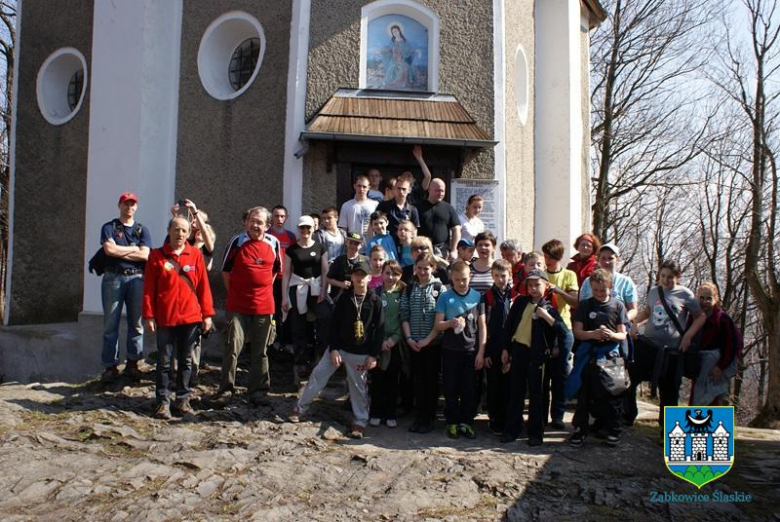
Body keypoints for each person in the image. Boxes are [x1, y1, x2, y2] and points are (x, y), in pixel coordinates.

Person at [291, 260, 384, 439]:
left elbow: (379, 329)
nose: (360, 278)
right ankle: (300, 407)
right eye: (357, 274)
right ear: (352, 277)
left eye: (363, 275)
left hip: (361, 351)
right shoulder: (344, 298)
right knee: (318, 374)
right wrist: (333, 349)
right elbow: (334, 326)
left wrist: (373, 355)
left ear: (369, 277)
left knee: (358, 387)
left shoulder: (375, 301)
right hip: (339, 348)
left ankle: (360, 421)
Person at [143, 216, 214, 419]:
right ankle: (162, 402)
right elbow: (148, 289)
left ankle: (182, 400)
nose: (180, 234)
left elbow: (203, 288)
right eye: (176, 229)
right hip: (165, 318)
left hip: (190, 318)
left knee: (186, 362)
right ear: (169, 230)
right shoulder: (156, 256)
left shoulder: (196, 255)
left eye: (184, 230)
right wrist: (148, 315)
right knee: (164, 362)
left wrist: (207, 315)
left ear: (189, 234)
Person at [213, 207, 281, 406]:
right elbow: (226, 271)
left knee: (261, 351)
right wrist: (234, 293)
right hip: (238, 306)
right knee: (232, 348)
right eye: (252, 220)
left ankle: (258, 391)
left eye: (259, 222)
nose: (255, 225)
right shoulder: (237, 242)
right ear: (246, 223)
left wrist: (263, 288)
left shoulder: (274, 243)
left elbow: (276, 271)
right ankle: (226, 390)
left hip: (264, 306)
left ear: (267, 226)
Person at [629, 260, 707, 427]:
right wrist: (635, 324)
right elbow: (647, 311)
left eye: (670, 277)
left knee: (670, 390)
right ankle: (627, 416)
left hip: (671, 351)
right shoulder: (653, 292)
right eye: (663, 276)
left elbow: (700, 317)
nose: (665, 280)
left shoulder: (685, 294)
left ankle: (668, 430)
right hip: (648, 345)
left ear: (678, 277)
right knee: (632, 378)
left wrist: (688, 336)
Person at [500, 271, 567, 446]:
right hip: (519, 351)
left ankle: (536, 432)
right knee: (515, 392)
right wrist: (506, 348)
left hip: (538, 355)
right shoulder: (521, 302)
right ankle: (512, 430)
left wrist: (546, 316)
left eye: (537, 285)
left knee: (538, 395)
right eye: (530, 285)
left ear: (546, 285)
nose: (533, 289)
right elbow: (509, 326)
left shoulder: (549, 308)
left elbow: (562, 331)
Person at [577, 243, 639, 425]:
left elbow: (633, 309)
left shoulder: (626, 282)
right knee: (591, 381)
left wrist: (618, 323)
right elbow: (583, 306)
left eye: (610, 257)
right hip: (592, 339)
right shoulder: (589, 281)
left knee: (615, 382)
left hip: (617, 338)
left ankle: (616, 422)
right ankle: (594, 421)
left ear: (617, 259)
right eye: (602, 257)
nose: (606, 261)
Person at [567, 269, 628, 447]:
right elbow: (577, 332)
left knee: (612, 395)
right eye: (596, 291)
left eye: (603, 290)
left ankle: (613, 430)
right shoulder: (585, 305)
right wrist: (593, 334)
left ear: (611, 287)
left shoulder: (618, 306)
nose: (600, 294)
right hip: (589, 356)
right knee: (584, 395)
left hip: (611, 356)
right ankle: (579, 430)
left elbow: (622, 335)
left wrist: (611, 335)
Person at [100, 192, 152, 382]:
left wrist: (121, 251)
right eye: (125, 203)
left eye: (132, 204)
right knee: (110, 324)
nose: (129, 207)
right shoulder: (109, 227)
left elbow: (146, 255)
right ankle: (110, 366)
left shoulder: (142, 230)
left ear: (136, 207)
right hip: (113, 278)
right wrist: (133, 249)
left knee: (136, 324)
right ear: (119, 205)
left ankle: (133, 363)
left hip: (137, 279)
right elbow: (109, 250)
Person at [435, 261, 487, 439]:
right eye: (457, 280)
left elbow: (482, 326)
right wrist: (450, 323)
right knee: (451, 388)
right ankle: (452, 423)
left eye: (464, 279)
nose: (461, 283)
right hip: (450, 350)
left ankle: (467, 422)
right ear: (451, 278)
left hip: (471, 351)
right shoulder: (445, 296)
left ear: (470, 277)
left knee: (469, 389)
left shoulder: (478, 296)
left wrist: (481, 352)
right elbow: (438, 325)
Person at [171, 199, 217, 385]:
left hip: (198, 295)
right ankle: (176, 371)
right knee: (176, 333)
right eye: (193, 220)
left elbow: (208, 242)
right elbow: (174, 240)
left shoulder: (206, 242)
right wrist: (175, 217)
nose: (194, 222)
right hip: (180, 294)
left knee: (194, 336)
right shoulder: (186, 242)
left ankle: (193, 372)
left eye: (198, 220)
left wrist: (196, 212)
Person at [400, 253, 445, 434]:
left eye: (426, 268)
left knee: (431, 381)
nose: (422, 271)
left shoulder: (439, 288)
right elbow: (404, 314)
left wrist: (428, 340)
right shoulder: (410, 288)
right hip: (415, 343)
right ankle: (419, 417)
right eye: (419, 268)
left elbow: (441, 317)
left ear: (433, 268)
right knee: (418, 381)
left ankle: (429, 418)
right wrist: (410, 338)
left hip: (432, 344)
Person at [282, 216, 328, 378]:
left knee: (324, 319)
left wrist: (323, 291)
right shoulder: (292, 250)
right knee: (297, 324)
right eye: (302, 228)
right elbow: (286, 273)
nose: (305, 231)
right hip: (297, 287)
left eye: (308, 228)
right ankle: (300, 361)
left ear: (313, 228)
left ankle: (320, 357)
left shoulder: (320, 247)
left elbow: (324, 271)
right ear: (299, 229)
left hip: (316, 288)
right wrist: (284, 297)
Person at [541, 239, 578, 429]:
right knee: (544, 374)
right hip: (543, 328)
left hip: (564, 329)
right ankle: (541, 415)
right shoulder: (541, 273)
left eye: (550, 257)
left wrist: (559, 291)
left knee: (560, 375)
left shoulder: (569, 274)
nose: (546, 260)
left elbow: (575, 302)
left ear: (558, 257)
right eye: (545, 256)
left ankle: (557, 415)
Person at [688, 283, 743, 406]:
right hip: (698, 365)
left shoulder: (722, 319)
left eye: (709, 298)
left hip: (715, 366)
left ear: (715, 299)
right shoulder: (693, 317)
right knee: (696, 396)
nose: (705, 301)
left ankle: (713, 425)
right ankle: (693, 424)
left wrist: (721, 366)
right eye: (701, 298)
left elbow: (731, 346)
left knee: (712, 399)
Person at [369, 260, 406, 428]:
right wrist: (380, 341)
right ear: (382, 274)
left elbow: (404, 318)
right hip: (378, 344)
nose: (391, 277)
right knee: (377, 380)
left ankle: (390, 413)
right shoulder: (375, 293)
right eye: (388, 273)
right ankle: (376, 412)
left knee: (393, 380)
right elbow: (370, 320)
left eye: (395, 274)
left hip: (395, 344)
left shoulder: (402, 293)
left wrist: (394, 339)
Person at [481, 259, 517, 435]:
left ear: (510, 275)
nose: (500, 279)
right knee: (494, 384)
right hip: (493, 346)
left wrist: (510, 349)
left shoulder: (517, 295)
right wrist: (486, 351)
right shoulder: (487, 297)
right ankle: (494, 418)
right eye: (496, 276)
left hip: (512, 346)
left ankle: (508, 418)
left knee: (510, 385)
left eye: (503, 275)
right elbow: (484, 326)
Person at [268, 205, 297, 349]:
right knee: (273, 310)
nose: (279, 219)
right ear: (271, 217)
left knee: (287, 309)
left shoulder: (291, 236)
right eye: (276, 216)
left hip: (287, 278)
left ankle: (286, 341)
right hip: (271, 279)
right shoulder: (267, 234)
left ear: (286, 218)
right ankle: (273, 340)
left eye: (282, 216)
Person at [417, 178, 461, 261]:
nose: (440, 193)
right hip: (421, 250)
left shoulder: (449, 208)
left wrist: (454, 250)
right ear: (429, 190)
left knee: (442, 274)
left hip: (442, 251)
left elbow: (456, 230)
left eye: (442, 191)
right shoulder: (417, 208)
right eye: (437, 190)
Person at [377, 172, 420, 242]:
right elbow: (372, 225)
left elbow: (414, 232)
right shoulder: (383, 206)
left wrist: (413, 247)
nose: (401, 191)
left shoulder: (413, 210)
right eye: (398, 188)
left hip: (405, 247)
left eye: (404, 189)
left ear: (409, 190)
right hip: (387, 244)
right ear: (394, 189)